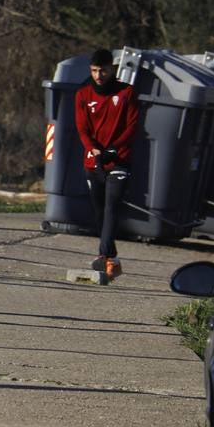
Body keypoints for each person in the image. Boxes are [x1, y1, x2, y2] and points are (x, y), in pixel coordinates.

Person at [74, 47, 139, 279]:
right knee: (100, 211)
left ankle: (103, 256)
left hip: (119, 160)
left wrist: (114, 150)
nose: (98, 75)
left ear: (112, 69)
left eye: (103, 70)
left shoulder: (127, 93)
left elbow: (132, 127)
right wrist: (93, 148)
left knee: (112, 205)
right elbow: (82, 127)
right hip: (93, 161)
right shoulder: (82, 95)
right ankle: (113, 259)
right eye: (94, 71)